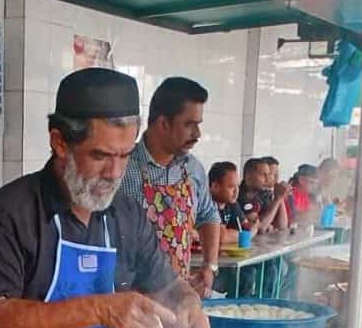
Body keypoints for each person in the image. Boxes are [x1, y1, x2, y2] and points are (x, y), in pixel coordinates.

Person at [0, 68, 209, 328]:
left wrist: (188, 302)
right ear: (60, 142)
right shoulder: (10, 212)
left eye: (125, 155)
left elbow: (167, 283)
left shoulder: (125, 214)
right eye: (100, 156)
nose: (114, 172)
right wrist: (98, 310)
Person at [120, 77, 221, 297]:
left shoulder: (193, 169)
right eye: (189, 124)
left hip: (178, 299)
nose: (197, 135)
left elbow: (209, 215)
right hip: (131, 301)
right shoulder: (122, 168)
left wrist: (209, 265)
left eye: (199, 125)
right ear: (163, 124)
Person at [208, 161, 254, 244]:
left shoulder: (232, 204)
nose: (236, 191)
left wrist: (247, 232)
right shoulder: (206, 205)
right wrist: (248, 235)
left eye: (237, 186)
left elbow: (247, 227)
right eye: (231, 186)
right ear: (215, 186)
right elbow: (221, 237)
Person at [238, 158, 288, 233]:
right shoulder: (241, 195)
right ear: (248, 177)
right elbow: (260, 228)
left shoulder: (263, 194)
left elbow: (282, 225)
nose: (268, 180)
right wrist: (277, 198)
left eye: (268, 174)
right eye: (263, 175)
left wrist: (280, 197)